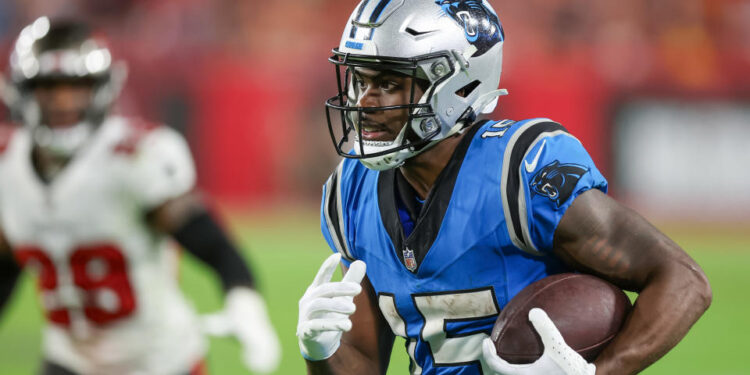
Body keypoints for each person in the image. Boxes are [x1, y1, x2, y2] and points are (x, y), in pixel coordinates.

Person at [296, 1, 712, 374]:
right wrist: (322, 351)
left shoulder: (520, 173)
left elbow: (683, 280)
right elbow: (363, 363)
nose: (363, 102)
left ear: (456, 85)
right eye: (359, 80)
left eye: (387, 83)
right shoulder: (349, 193)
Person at [0, 17, 280, 375]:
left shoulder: (135, 158)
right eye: (48, 88)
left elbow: (210, 241)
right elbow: (5, 264)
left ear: (101, 88)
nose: (62, 101)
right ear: (21, 91)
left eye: (76, 87)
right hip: (69, 360)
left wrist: (244, 302)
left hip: (160, 362)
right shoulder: (8, 166)